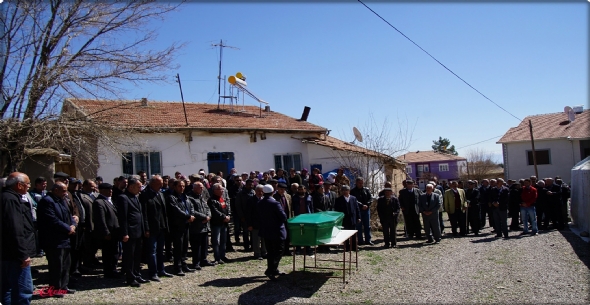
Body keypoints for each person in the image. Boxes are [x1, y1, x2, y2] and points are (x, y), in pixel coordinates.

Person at [2, 172, 36, 304]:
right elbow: (14, 228)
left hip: (6, 253)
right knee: (22, 291)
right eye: (27, 184)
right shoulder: (11, 200)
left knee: (6, 289)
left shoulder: (4, 197)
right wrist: (23, 254)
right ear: (19, 185)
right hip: (14, 255)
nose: (29, 186)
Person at [37, 182, 77, 297]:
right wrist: (67, 228)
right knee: (56, 266)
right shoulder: (47, 201)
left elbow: (69, 215)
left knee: (66, 265)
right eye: (64, 191)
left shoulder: (62, 200)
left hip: (65, 239)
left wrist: (73, 225)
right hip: (54, 240)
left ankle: (63, 287)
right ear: (56, 190)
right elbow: (52, 219)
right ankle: (55, 288)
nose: (66, 193)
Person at [139, 176, 173, 281]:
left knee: (159, 250)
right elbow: (144, 213)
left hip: (161, 227)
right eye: (159, 183)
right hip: (152, 228)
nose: (162, 185)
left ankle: (161, 270)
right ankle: (153, 272)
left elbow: (164, 212)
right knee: (152, 251)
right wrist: (146, 229)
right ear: (152, 183)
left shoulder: (161, 194)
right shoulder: (145, 195)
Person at [116, 178, 148, 287]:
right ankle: (130, 277)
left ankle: (136, 274)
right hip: (130, 232)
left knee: (137, 255)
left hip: (138, 231)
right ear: (131, 187)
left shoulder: (135, 197)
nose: (140, 189)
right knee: (129, 256)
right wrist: (124, 233)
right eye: (138, 187)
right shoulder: (123, 198)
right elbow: (123, 217)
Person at [166, 179, 196, 275]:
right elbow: (176, 210)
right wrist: (188, 216)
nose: (182, 188)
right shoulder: (171, 197)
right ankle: (177, 267)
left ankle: (184, 264)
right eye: (179, 186)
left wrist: (191, 215)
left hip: (186, 224)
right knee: (178, 246)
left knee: (185, 246)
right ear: (174, 187)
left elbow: (191, 207)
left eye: (183, 186)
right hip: (177, 225)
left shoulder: (185, 197)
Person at [258, 185, 288, 281]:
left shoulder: (260, 203)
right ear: (273, 192)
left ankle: (273, 269)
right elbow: (283, 217)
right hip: (276, 230)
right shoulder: (275, 203)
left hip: (266, 231)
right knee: (279, 250)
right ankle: (271, 269)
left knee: (270, 251)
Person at [92, 183, 121, 278]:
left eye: (111, 189)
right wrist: (106, 232)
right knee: (108, 253)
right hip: (108, 233)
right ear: (101, 190)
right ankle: (108, 271)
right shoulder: (99, 202)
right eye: (108, 190)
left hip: (115, 232)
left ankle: (113, 269)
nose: (110, 191)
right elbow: (100, 219)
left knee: (115, 252)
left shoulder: (110, 200)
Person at [188, 182, 214, 269]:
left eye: (202, 187)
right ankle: (196, 262)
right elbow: (193, 211)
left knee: (204, 244)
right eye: (200, 187)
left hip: (205, 225)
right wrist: (204, 217)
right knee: (196, 245)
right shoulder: (190, 198)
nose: (202, 189)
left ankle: (204, 259)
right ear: (194, 188)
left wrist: (209, 216)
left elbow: (207, 208)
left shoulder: (201, 197)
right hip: (196, 226)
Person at [208, 183, 231, 264]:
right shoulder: (211, 200)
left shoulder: (222, 199)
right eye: (220, 189)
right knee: (216, 241)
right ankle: (217, 257)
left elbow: (227, 208)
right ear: (215, 190)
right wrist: (224, 217)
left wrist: (228, 216)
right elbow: (215, 212)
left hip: (224, 223)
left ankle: (222, 256)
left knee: (223, 241)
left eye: (222, 189)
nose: (222, 191)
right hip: (216, 223)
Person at [334, 185, 361, 250]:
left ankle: (354, 247)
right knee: (345, 233)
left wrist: (358, 217)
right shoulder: (338, 200)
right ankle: (346, 247)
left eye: (346, 190)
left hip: (352, 218)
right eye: (343, 190)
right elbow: (337, 210)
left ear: (349, 191)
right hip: (344, 219)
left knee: (353, 233)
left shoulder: (353, 198)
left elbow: (357, 208)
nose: (345, 192)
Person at [246, 184, 267, 260]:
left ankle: (264, 252)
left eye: (261, 191)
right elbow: (248, 213)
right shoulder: (251, 200)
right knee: (256, 240)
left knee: (264, 239)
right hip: (255, 224)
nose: (260, 193)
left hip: (264, 223)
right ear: (255, 191)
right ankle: (257, 253)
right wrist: (249, 224)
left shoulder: (265, 199)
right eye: (258, 191)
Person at [350, 177, 373, 246]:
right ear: (356, 183)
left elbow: (370, 198)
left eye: (362, 183)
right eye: (359, 183)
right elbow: (354, 200)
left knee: (367, 226)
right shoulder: (353, 191)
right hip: (358, 210)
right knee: (358, 226)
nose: (361, 184)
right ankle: (360, 241)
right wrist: (362, 205)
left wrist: (367, 204)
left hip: (366, 210)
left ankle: (368, 240)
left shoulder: (366, 190)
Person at [236, 179, 255, 252]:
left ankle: (253, 246)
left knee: (253, 232)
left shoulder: (253, 192)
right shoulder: (240, 193)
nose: (251, 186)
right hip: (244, 215)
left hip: (252, 216)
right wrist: (241, 216)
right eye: (249, 184)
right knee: (245, 232)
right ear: (246, 185)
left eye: (252, 184)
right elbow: (238, 206)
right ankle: (246, 246)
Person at [273, 183, 293, 255]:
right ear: (277, 188)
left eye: (284, 189)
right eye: (281, 189)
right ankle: (280, 250)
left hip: (287, 218)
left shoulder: (288, 196)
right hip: (278, 219)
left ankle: (287, 250)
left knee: (287, 235)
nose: (282, 191)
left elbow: (290, 208)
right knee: (279, 236)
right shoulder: (274, 197)